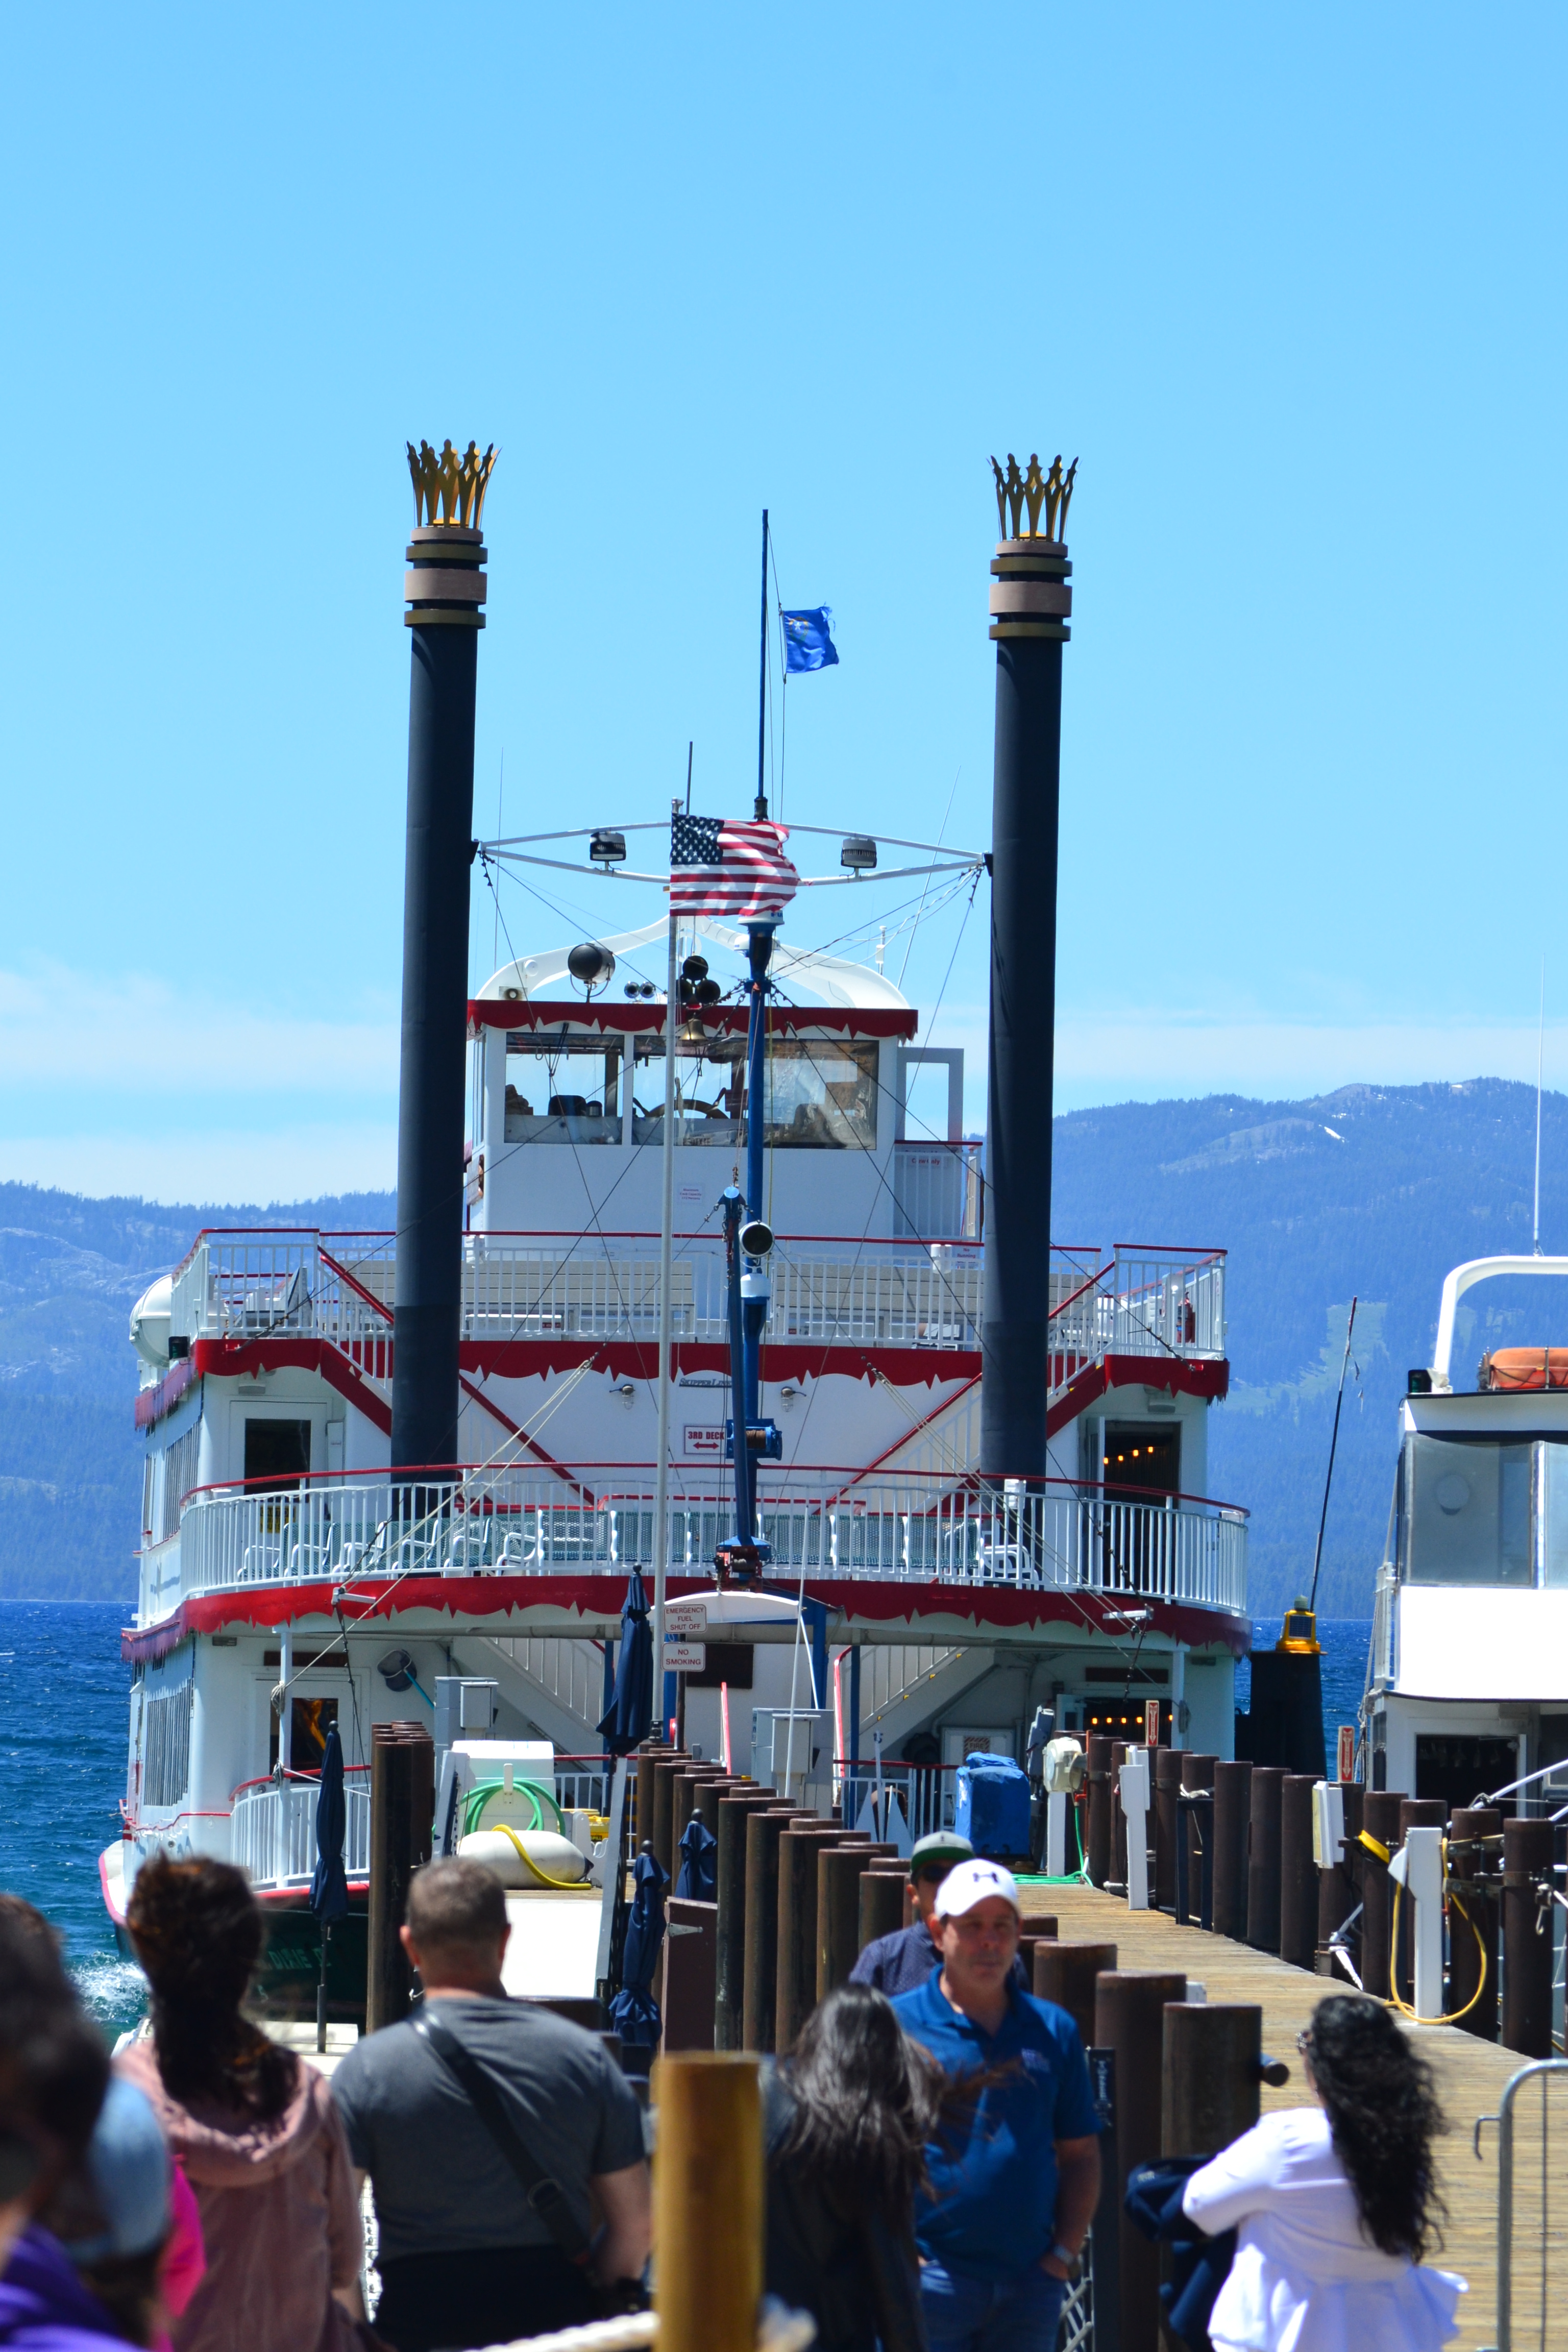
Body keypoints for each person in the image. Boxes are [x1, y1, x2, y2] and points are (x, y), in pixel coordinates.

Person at [331, 1857, 650, 2352]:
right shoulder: (584, 2060)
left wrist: (362, 2339)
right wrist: (595, 2305)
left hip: (417, 2331)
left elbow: (332, 2241)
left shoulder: (367, 2071)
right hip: (559, 2334)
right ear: (504, 1941)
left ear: (410, 1946)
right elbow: (638, 2223)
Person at [117, 1855, 363, 2352]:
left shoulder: (119, 2103)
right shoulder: (307, 2093)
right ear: (251, 1958)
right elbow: (343, 2266)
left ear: (146, 1954)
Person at [892, 1859, 1100, 2352]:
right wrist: (903, 2258)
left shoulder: (1054, 2030)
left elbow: (1081, 2153)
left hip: (1030, 2286)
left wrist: (1061, 2255)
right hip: (930, 2281)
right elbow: (863, 2156)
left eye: (1001, 1926)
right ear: (937, 1932)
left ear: (1018, 1933)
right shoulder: (896, 2027)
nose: (989, 1941)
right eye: (972, 1926)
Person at [1182, 1993, 1465, 2352]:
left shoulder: (1288, 2139)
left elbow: (1198, 2207)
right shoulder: (1403, 2145)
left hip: (1288, 2335)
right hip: (1390, 2334)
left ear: (1322, 2068)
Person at [764, 1984, 934, 2352]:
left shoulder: (760, 2086)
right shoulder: (866, 2134)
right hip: (819, 2334)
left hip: (735, 2319)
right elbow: (895, 2288)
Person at [849, 1834, 1028, 2000]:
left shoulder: (1005, 1962)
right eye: (933, 1874)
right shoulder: (882, 1959)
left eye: (956, 1874)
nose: (946, 1883)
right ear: (914, 1894)